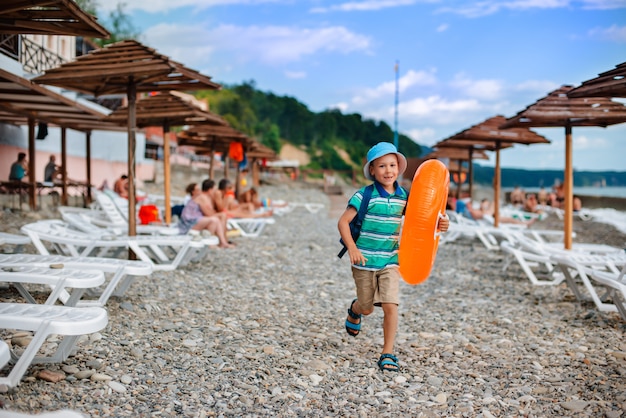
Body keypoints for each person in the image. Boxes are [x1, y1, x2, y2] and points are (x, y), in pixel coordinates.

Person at [338, 142, 449, 373]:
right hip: (365, 261)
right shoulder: (364, 196)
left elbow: (422, 221)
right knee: (368, 307)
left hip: (390, 260)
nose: (388, 170)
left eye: (392, 165)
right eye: (381, 166)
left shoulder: (404, 197)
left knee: (390, 305)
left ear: (399, 167)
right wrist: (352, 248)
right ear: (372, 170)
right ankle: (355, 310)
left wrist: (441, 222)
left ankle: (387, 353)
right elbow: (343, 222)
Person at [177, 182, 234, 249]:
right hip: (189, 222)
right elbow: (208, 214)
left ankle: (220, 242)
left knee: (216, 219)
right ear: (210, 190)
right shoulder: (202, 197)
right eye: (214, 189)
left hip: (193, 220)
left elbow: (210, 212)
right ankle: (220, 242)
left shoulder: (204, 197)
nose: (215, 191)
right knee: (214, 219)